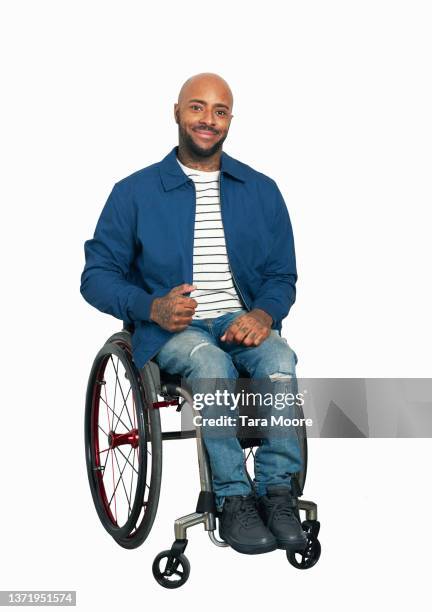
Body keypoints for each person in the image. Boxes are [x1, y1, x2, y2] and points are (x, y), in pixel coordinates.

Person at [80, 72, 307, 555]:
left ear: (230, 120)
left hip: (239, 319)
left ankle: (278, 491)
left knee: (280, 359)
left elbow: (281, 276)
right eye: (198, 107)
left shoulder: (261, 190)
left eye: (220, 111)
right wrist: (150, 306)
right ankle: (231, 497)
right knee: (209, 362)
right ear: (178, 112)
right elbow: (96, 276)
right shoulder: (134, 192)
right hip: (171, 330)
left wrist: (265, 313)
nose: (208, 119)